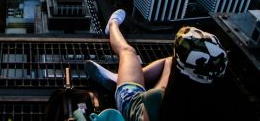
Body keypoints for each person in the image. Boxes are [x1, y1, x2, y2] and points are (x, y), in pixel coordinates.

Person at [85, 9, 229, 121]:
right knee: (171, 61)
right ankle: (122, 77)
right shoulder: (218, 105)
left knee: (128, 51)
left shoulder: (156, 98)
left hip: (133, 106)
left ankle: (113, 25)